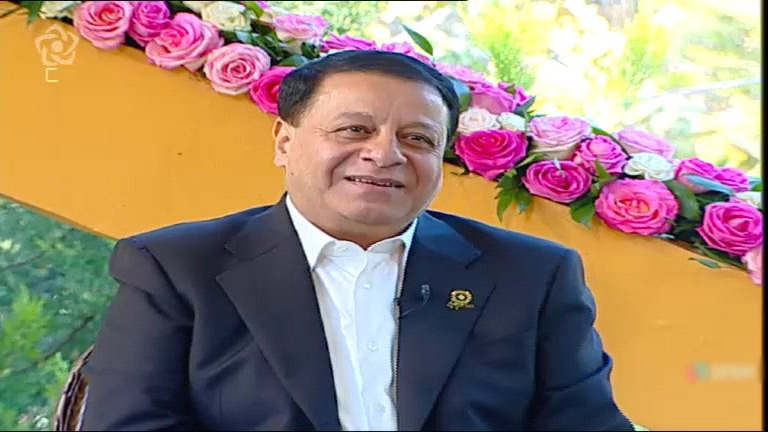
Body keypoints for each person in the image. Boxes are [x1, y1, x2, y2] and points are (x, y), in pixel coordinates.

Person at [81, 50, 635, 431]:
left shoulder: (530, 275)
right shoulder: (176, 267)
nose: (385, 154)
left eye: (418, 139)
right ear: (284, 142)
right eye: (354, 130)